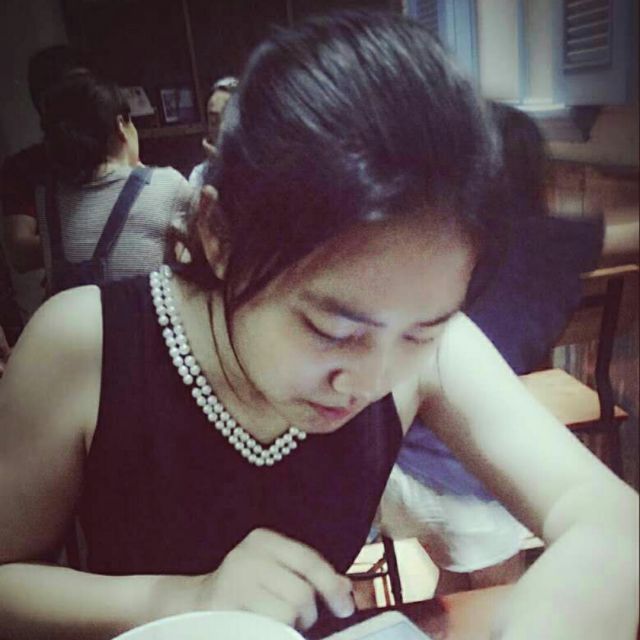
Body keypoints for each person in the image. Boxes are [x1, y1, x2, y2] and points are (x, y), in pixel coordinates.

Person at [0, 12, 637, 640]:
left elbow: (607, 517)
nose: (371, 380)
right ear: (219, 235)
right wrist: (182, 598)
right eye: (332, 329)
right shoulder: (85, 344)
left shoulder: (432, 353)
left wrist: (564, 603)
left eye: (420, 331)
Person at [378, 103, 605, 593]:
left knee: (463, 589)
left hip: (389, 468)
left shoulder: (431, 242)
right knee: (502, 594)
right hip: (457, 482)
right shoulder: (555, 245)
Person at [38, 70, 193, 291]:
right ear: (121, 125)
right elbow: (216, 258)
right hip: (147, 312)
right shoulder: (165, 185)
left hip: (74, 313)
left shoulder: (47, 198)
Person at [0, 45, 87, 275]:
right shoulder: (24, 167)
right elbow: (19, 252)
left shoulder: (117, 146)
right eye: (71, 94)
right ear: (44, 104)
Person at [188, 76, 238, 189]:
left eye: (230, 119)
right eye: (213, 121)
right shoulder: (199, 175)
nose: (222, 128)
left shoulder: (267, 168)